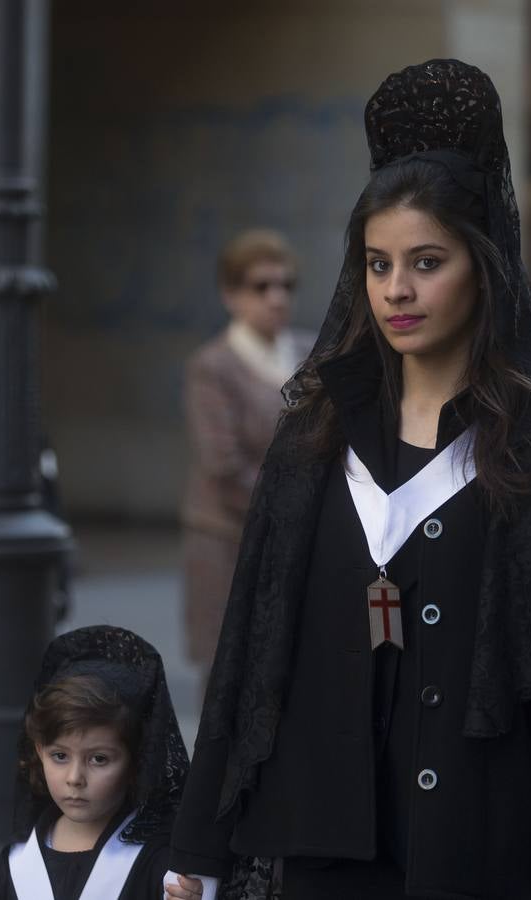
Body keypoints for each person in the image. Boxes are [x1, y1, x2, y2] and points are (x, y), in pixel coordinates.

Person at [165, 60, 531, 900]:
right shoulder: (316, 434)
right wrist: (198, 852)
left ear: (483, 266)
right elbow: (252, 648)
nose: (398, 290)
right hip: (326, 852)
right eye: (377, 264)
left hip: (483, 849)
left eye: (427, 262)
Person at [182, 229, 314, 686]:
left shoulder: (308, 353)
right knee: (230, 678)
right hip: (228, 543)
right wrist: (299, 500)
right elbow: (223, 464)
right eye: (261, 287)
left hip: (297, 541)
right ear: (230, 295)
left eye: (286, 285)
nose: (276, 298)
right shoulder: (213, 366)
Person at [0, 626, 190, 900]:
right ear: (39, 751)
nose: (75, 778)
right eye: (60, 756)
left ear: (137, 761)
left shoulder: (159, 863)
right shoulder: (16, 863)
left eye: (99, 759)